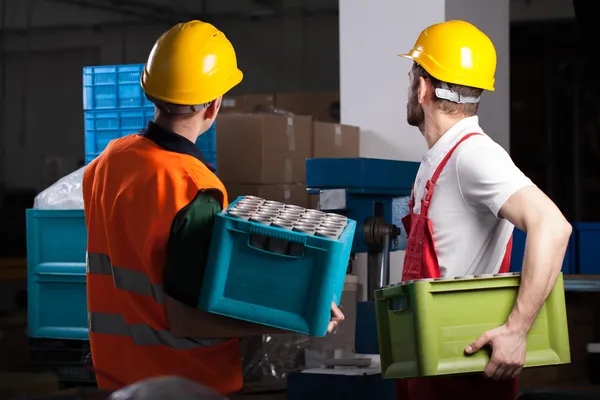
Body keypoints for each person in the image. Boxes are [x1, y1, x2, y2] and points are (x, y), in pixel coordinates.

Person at [82, 20, 344, 395]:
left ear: (151, 90)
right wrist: (294, 321)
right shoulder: (192, 185)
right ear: (214, 104)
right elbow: (187, 319)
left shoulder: (108, 162)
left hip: (119, 383)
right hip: (186, 383)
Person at [397, 20, 572, 400]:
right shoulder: (442, 157)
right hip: (430, 356)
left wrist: (517, 330)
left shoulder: (472, 155)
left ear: (422, 86)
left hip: (463, 363)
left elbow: (553, 226)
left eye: (412, 74)